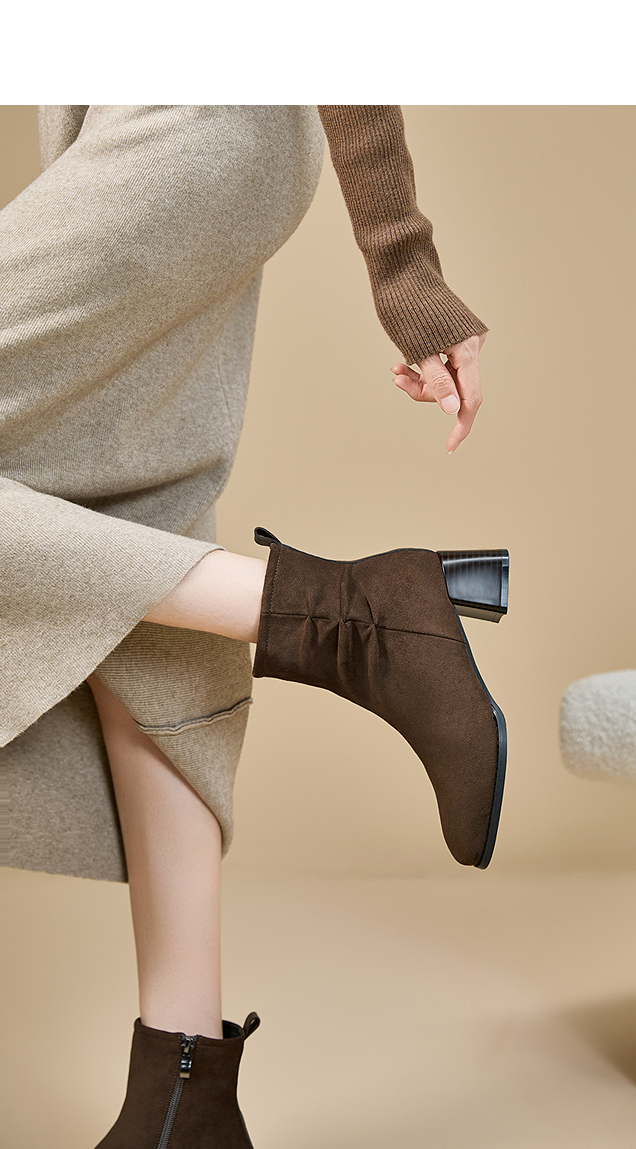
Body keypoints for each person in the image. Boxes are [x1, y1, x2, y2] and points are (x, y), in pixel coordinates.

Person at [0, 105, 507, 1147]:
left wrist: (403, 262)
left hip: (186, 124)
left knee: (128, 535)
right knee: (131, 528)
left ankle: (351, 618)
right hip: (145, 136)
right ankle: (182, 1099)